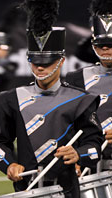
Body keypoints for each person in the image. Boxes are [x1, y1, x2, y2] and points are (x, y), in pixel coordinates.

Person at [0, 0, 103, 198]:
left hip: (66, 187)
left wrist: (78, 154)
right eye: (36, 62)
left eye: (48, 62)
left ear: (61, 61)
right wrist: (8, 164)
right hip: (26, 188)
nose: (41, 68)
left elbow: (94, 145)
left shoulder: (80, 99)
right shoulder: (12, 98)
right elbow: (0, 144)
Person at [66, 0, 112, 173]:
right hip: (89, 165)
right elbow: (69, 124)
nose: (106, 50)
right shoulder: (76, 78)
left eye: (111, 45)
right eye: (100, 45)